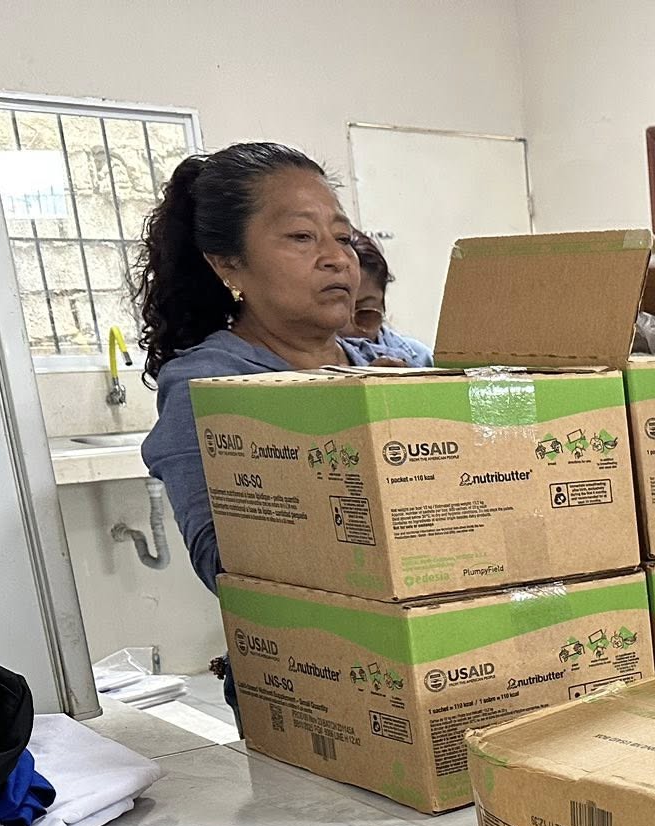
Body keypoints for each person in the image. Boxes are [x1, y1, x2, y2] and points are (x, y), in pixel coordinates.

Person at [137, 142, 368, 599]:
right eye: (302, 237)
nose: (337, 258)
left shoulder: (393, 367)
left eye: (343, 238)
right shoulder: (209, 385)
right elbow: (223, 568)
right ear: (228, 264)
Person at [343, 231, 433, 367]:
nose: (350, 329)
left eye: (365, 313)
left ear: (382, 306)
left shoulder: (421, 359)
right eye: (337, 314)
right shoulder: (315, 363)